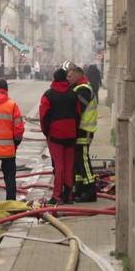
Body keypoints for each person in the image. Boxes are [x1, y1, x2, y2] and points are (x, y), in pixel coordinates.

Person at [39, 68, 80, 204]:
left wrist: (46, 132)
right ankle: (68, 195)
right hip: (71, 133)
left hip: (55, 134)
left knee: (59, 165)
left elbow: (43, 116)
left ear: (54, 78)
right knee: (69, 165)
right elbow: (78, 114)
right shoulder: (73, 94)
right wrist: (74, 129)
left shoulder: (48, 95)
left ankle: (57, 195)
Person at [67, 66, 98, 202]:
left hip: (83, 129)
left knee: (83, 159)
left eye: (70, 76)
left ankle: (90, 190)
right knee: (78, 160)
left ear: (79, 75)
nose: (68, 79)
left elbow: (77, 109)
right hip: (79, 129)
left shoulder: (84, 89)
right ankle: (80, 188)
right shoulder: (78, 87)